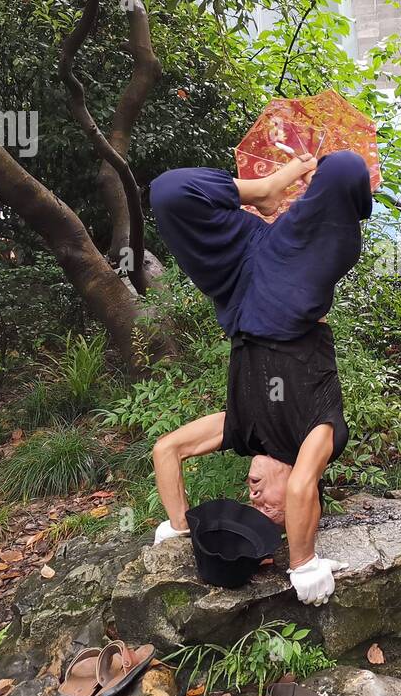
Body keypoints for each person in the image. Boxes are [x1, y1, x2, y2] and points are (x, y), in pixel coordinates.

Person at [147, 149, 373, 607]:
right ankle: (286, 193)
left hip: (238, 288)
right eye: (268, 507)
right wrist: (303, 563)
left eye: (253, 503)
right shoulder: (319, 433)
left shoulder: (242, 428)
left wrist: (178, 526)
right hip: (292, 285)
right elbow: (299, 486)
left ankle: (264, 192)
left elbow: (166, 449)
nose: (253, 496)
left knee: (167, 192)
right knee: (347, 167)